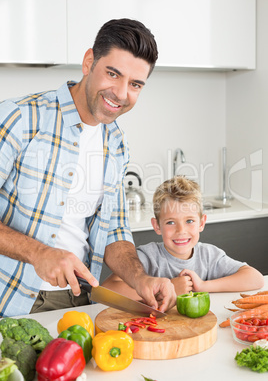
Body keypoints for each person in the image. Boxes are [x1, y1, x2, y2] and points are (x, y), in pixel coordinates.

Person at [0, 18, 176, 317]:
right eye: (112, 73)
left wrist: (139, 278)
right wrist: (39, 253)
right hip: (12, 297)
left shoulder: (116, 142)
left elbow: (114, 230)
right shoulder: (20, 118)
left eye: (135, 84)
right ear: (88, 62)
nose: (121, 93)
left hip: (82, 300)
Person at [102, 176, 264, 298]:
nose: (181, 230)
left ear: (202, 222)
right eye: (171, 222)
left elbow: (255, 279)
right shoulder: (147, 256)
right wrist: (166, 289)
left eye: (189, 221)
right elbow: (106, 289)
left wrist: (203, 286)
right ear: (157, 225)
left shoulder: (209, 256)